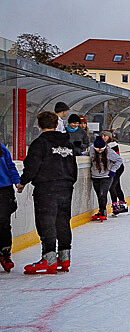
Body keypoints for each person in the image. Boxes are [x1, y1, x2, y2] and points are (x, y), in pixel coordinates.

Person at [17, 111, 79, 274]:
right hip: (66, 187)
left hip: (47, 188)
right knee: (63, 221)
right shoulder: (68, 144)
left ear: (39, 125)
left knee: (46, 222)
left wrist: (23, 181)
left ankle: (49, 259)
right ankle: (65, 258)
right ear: (55, 124)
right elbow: (74, 167)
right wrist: (69, 181)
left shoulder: (40, 143)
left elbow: (32, 165)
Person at [1, 140, 21, 272]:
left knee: (3, 222)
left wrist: (17, 181)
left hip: (4, 189)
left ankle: (5, 253)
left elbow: (10, 166)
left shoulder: (1, 148)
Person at [88, 138, 117, 222]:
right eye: (97, 149)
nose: (100, 151)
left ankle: (103, 211)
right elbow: (88, 154)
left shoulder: (109, 152)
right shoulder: (92, 150)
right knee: (98, 194)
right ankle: (101, 210)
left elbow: (119, 160)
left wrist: (113, 170)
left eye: (102, 149)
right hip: (95, 176)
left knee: (102, 194)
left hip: (106, 177)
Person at [104, 132, 128, 214]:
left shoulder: (112, 145)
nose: (103, 137)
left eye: (105, 136)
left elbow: (115, 158)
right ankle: (122, 204)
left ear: (109, 137)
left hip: (117, 168)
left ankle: (115, 205)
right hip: (116, 167)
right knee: (117, 186)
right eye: (102, 136)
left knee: (112, 186)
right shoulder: (107, 145)